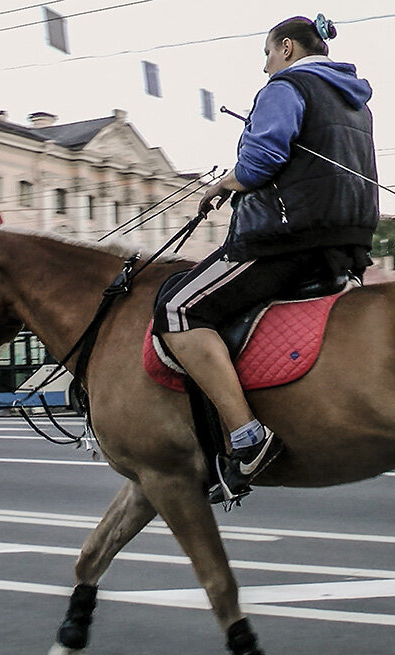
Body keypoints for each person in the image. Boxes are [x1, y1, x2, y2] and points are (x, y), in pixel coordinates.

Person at [154, 14, 379, 504]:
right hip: (346, 242)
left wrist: (220, 184)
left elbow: (261, 162)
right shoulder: (353, 99)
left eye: (267, 53)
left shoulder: (287, 86)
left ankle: (247, 436)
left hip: (286, 237)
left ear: (287, 48)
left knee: (176, 308)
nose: (264, 67)